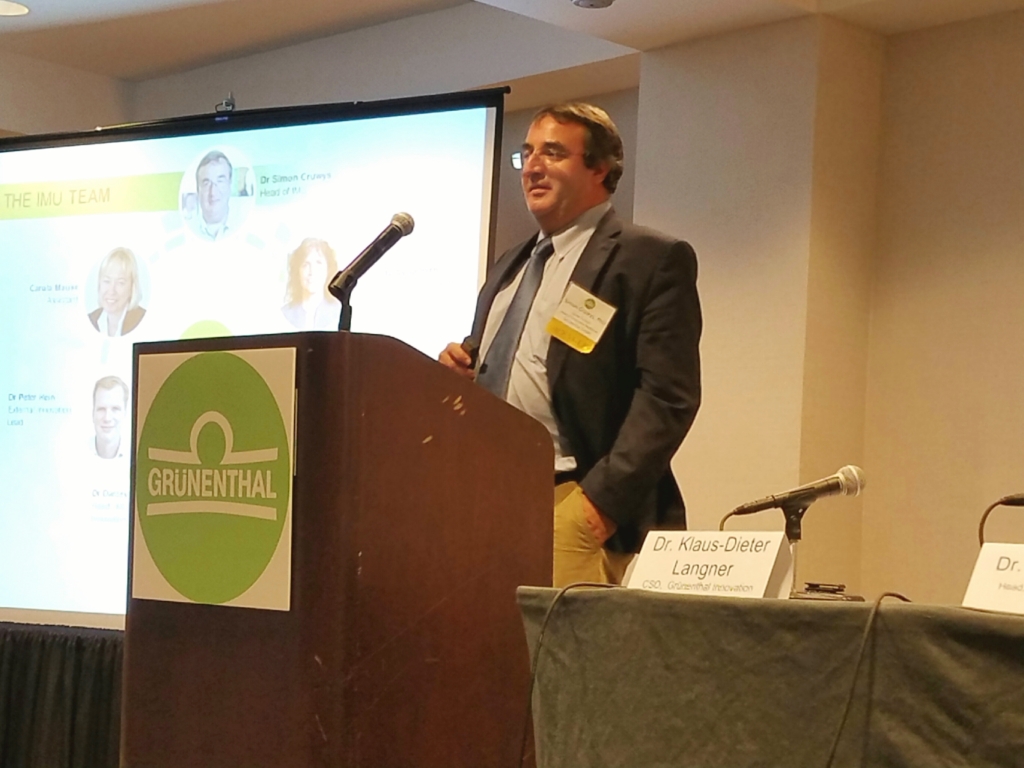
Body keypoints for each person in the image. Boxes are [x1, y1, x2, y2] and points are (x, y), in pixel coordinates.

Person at [439, 103, 702, 587]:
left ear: (600, 168)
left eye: (553, 153)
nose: (533, 167)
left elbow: (668, 396)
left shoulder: (647, 258)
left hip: (572, 496)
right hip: (487, 495)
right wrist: (461, 372)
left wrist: (600, 503)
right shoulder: (509, 265)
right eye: (526, 154)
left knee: (558, 638)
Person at [280, 238, 342, 330]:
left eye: (318, 263)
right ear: (298, 271)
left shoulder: (337, 312)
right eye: (306, 264)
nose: (312, 272)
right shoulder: (285, 314)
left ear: (328, 269)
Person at [88, 247, 146, 336]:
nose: (111, 291)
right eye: (107, 281)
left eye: (120, 283)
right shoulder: (91, 319)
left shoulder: (142, 319)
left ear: (132, 287)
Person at [193, 150, 234, 240]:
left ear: (230, 185)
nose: (213, 192)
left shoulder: (246, 223)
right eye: (206, 183)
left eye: (220, 181)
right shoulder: (189, 228)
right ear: (198, 190)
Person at [92, 376, 128, 459]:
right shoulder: (74, 453)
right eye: (101, 409)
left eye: (115, 409)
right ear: (92, 413)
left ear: (125, 413)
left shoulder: (136, 453)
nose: (107, 418)